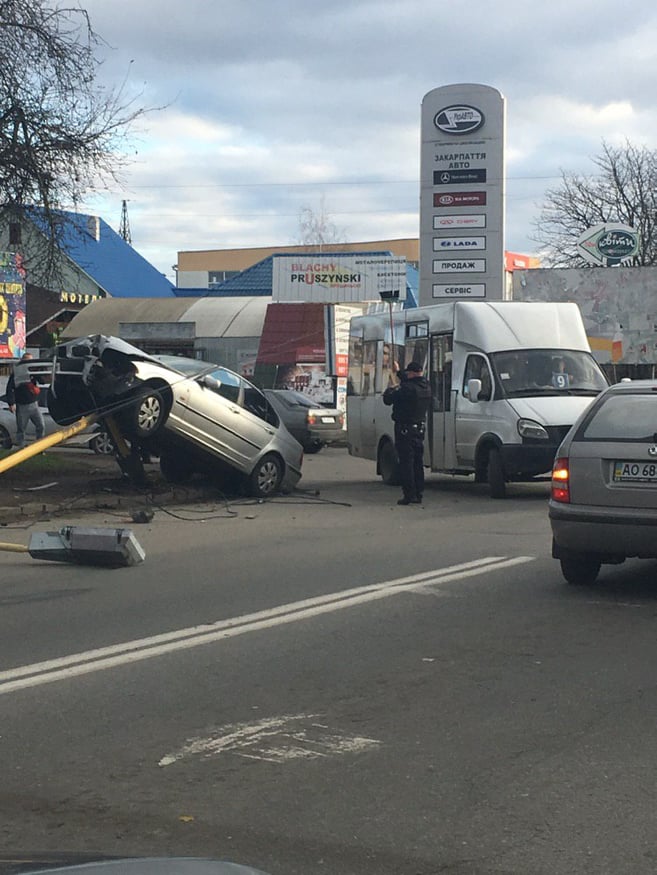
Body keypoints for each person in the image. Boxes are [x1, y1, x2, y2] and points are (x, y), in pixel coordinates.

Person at [383, 360, 432, 505]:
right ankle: (418, 493)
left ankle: (409, 494)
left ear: (411, 373)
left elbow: (388, 400)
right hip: (419, 429)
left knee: (406, 463)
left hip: (405, 430)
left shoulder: (406, 389)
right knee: (417, 462)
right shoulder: (426, 386)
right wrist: (399, 372)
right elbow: (410, 383)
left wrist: (391, 388)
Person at [6, 353, 45, 449]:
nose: (29, 362)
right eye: (28, 360)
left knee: (41, 425)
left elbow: (42, 381)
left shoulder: (32, 371)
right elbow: (9, 388)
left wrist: (39, 371)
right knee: (21, 429)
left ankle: (39, 447)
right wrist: (11, 403)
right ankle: (21, 447)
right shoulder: (16, 373)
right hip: (22, 405)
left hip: (34, 404)